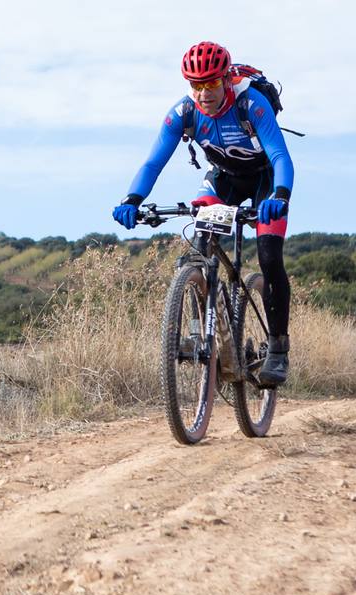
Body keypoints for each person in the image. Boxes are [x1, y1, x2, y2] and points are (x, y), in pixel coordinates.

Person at [113, 41, 295, 385]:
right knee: (198, 250)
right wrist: (132, 200)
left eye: (211, 84)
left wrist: (280, 196)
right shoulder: (183, 113)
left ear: (226, 79)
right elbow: (153, 162)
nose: (204, 92)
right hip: (224, 179)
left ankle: (278, 349)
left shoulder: (251, 105)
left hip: (264, 181)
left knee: (270, 257)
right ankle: (204, 334)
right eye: (196, 85)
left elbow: (281, 157)